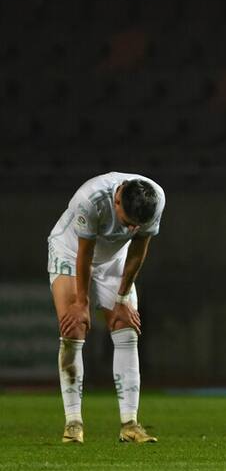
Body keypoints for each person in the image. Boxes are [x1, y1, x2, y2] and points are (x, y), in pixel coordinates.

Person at [48, 172, 165, 444]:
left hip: (114, 257)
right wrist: (82, 302)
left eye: (137, 225)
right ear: (117, 201)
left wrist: (122, 299)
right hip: (71, 251)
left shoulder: (156, 199)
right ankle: (73, 423)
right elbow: (85, 252)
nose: (131, 228)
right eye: (127, 222)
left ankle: (130, 424)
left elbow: (139, 248)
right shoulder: (90, 200)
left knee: (127, 328)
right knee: (74, 327)